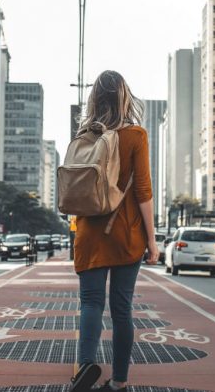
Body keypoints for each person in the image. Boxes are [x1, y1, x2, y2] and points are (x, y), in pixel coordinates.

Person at [70, 71, 157, 392]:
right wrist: (152, 240)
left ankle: (85, 365)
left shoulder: (84, 136)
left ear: (95, 99)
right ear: (124, 97)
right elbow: (143, 192)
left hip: (90, 233)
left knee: (90, 303)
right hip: (126, 235)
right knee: (122, 308)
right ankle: (119, 381)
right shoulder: (136, 135)